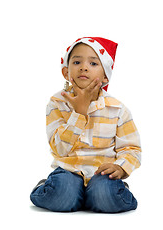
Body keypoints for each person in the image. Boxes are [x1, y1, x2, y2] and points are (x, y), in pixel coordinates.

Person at [30, 37, 141, 213]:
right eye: (76, 62)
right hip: (69, 171)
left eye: (93, 63)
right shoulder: (56, 103)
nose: (84, 67)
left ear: (105, 76)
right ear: (66, 73)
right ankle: (58, 190)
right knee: (63, 193)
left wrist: (120, 167)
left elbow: (132, 148)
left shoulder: (117, 109)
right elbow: (59, 149)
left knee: (105, 194)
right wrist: (79, 114)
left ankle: (99, 193)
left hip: (102, 174)